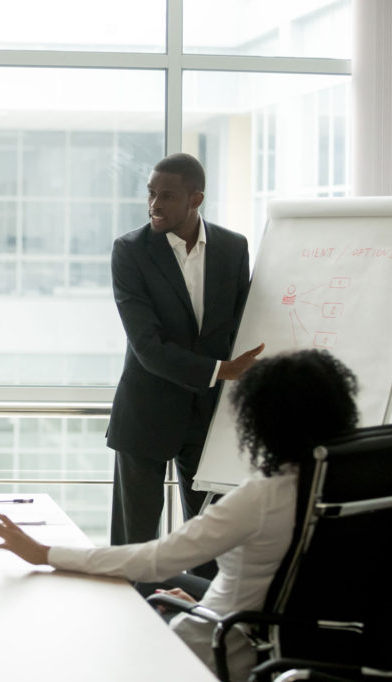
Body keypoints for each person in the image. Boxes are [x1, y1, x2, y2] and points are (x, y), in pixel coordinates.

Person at [0, 349, 359, 681]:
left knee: (96, 619)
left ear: (262, 423)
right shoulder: (350, 488)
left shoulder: (261, 498)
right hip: (285, 642)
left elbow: (153, 560)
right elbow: (282, 584)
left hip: (214, 651)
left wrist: (45, 553)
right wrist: (206, 603)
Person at [108, 152, 264, 551]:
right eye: (151, 194)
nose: (154, 205)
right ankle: (133, 613)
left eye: (168, 196)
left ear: (196, 199)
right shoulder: (129, 251)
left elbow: (241, 324)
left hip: (209, 418)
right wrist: (219, 371)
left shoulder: (233, 247)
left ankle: (201, 612)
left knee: (213, 542)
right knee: (135, 543)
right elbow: (147, 347)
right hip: (145, 415)